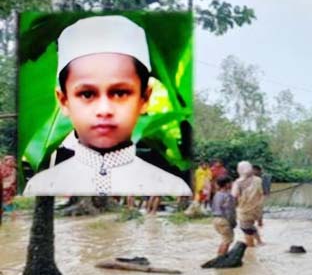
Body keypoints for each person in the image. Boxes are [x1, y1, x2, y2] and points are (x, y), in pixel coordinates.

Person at [22, 15, 191, 197]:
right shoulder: (40, 187)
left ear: (144, 98)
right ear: (64, 101)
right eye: (87, 94)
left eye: (120, 93)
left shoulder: (173, 188)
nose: (104, 110)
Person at [232, 161, 264, 247]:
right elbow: (261, 194)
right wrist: (260, 218)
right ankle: (260, 242)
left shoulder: (238, 183)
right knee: (251, 226)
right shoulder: (258, 180)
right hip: (256, 209)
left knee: (246, 229)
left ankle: (251, 249)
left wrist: (232, 210)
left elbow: (234, 197)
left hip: (244, 210)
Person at [211, 175, 236, 255]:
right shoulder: (228, 196)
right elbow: (230, 211)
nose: (232, 184)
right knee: (227, 240)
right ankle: (221, 258)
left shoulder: (217, 194)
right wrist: (233, 223)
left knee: (224, 239)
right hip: (224, 220)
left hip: (215, 220)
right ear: (227, 184)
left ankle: (219, 256)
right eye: (231, 183)